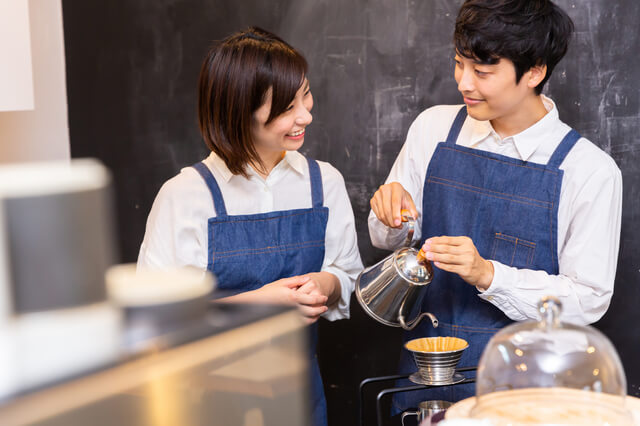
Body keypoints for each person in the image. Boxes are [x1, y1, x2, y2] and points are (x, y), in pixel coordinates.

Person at [368, 0, 622, 412]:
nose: (464, 83)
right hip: (424, 375)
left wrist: (487, 274)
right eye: (458, 64)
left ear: (535, 71)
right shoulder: (433, 128)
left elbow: (588, 299)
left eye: (483, 72)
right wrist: (391, 216)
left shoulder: (588, 169)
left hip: (525, 391)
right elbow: (385, 240)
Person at [137, 27, 363, 426]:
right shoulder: (185, 196)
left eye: (305, 95)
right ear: (238, 111)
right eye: (286, 108)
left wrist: (326, 286)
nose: (305, 115)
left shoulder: (322, 183)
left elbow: (346, 274)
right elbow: (153, 323)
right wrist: (261, 303)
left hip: (299, 400)